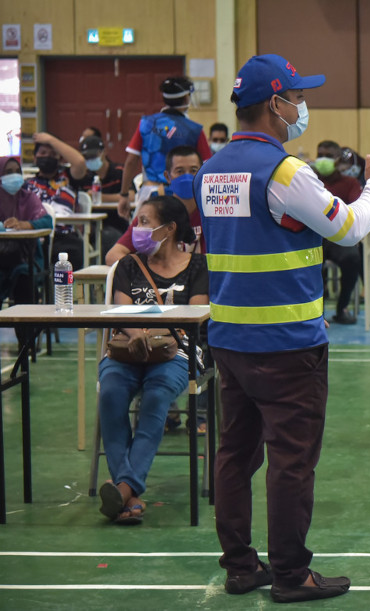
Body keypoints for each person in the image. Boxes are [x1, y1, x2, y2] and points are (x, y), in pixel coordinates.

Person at [195, 54, 370, 603]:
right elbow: (350, 227)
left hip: (229, 339)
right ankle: (290, 574)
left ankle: (240, 566)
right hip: (287, 346)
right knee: (291, 463)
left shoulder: (210, 171)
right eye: (298, 98)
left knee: (234, 455)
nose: (302, 107)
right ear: (274, 105)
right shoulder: (285, 172)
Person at [96, 195, 207, 525]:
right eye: (137, 222)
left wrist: (158, 333)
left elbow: (197, 316)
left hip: (179, 352)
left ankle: (125, 487)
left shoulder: (198, 267)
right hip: (128, 349)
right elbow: (120, 311)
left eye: (144, 222)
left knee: (157, 397)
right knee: (112, 393)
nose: (137, 229)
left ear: (169, 228)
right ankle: (128, 491)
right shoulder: (128, 265)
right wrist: (136, 334)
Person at [118, 76, 212, 219]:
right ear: (187, 98)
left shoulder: (146, 124)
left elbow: (131, 160)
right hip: (183, 195)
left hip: (150, 192)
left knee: (143, 237)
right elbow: (207, 167)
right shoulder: (195, 130)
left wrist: (124, 194)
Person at [106, 145, 204, 265]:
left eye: (194, 171)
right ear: (167, 177)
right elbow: (113, 255)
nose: (187, 177)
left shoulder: (211, 212)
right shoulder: (154, 212)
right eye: (180, 171)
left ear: (202, 173)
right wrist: (147, 273)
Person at [314, 140, 363, 324]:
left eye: (328, 156)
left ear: (337, 160)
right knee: (310, 262)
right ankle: (317, 313)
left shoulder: (350, 182)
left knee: (353, 258)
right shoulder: (310, 181)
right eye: (320, 155)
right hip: (313, 237)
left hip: (337, 237)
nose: (322, 160)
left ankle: (342, 307)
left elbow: (354, 209)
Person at [26, 135, 85, 268]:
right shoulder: (27, 185)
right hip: (34, 235)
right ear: (35, 157)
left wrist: (50, 139)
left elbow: (80, 162)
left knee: (72, 253)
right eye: (43, 153)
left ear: (60, 158)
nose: (47, 157)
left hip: (63, 236)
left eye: (53, 154)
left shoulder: (68, 178)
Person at [0, 157, 52, 308]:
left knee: (23, 277)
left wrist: (25, 224)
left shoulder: (28, 197)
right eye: (9, 172)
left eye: (18, 171)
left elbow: (47, 221)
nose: (14, 176)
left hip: (28, 258)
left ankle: (27, 330)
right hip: (2, 258)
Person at [76, 134, 129, 256]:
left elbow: (130, 196)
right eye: (87, 157)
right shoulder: (83, 176)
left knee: (109, 237)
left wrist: (96, 196)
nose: (90, 160)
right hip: (91, 225)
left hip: (116, 222)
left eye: (93, 156)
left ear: (104, 152)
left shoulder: (119, 171)